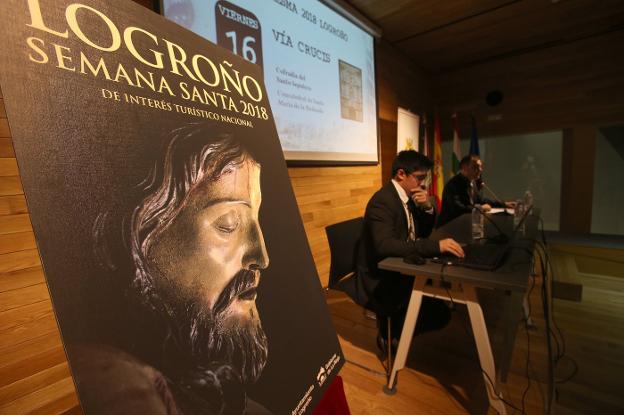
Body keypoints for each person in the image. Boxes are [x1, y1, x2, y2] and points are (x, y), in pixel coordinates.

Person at [71, 124, 272, 415]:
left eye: (257, 219)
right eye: (228, 223)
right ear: (142, 238)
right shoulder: (124, 391)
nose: (262, 257)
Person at [357, 150, 464, 351]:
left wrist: (426, 207)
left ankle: (401, 327)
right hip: (380, 276)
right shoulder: (383, 201)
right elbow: (385, 245)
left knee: (440, 312)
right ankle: (392, 332)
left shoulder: (406, 195)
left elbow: (421, 231)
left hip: (398, 267)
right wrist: (435, 246)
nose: (423, 184)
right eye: (420, 178)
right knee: (441, 315)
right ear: (401, 174)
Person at [437, 154, 513, 228]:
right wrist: (480, 208)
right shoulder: (453, 184)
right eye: (476, 167)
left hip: (465, 223)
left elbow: (481, 200)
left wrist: (503, 204)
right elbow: (458, 209)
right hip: (449, 226)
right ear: (464, 168)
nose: (480, 170)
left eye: (480, 167)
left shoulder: (472, 181)